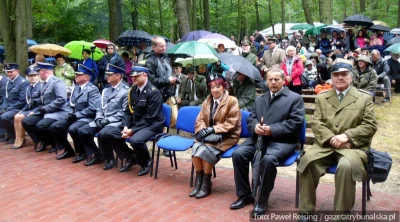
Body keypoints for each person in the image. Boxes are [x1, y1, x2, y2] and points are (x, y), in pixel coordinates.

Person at [297, 62, 377, 217]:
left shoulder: (364, 98)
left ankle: (341, 216)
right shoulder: (322, 97)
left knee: (346, 167)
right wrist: (332, 138)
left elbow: (370, 125)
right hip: (326, 145)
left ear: (351, 77)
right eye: (336, 75)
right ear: (331, 78)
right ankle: (306, 212)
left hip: (353, 147)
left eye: (344, 74)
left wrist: (347, 136)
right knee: (307, 161)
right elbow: (317, 123)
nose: (340, 78)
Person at [230, 68, 305, 216]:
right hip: (259, 138)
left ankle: (262, 200)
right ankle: (245, 194)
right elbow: (251, 118)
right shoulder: (260, 99)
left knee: (269, 160)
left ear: (283, 80)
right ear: (266, 81)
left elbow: (295, 123)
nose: (273, 82)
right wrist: (254, 127)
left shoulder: (295, 98)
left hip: (283, 140)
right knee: (238, 154)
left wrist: (272, 129)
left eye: (277, 79)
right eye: (270, 79)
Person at [102, 65, 164, 175]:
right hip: (137, 123)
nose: (133, 78)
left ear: (145, 75)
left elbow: (149, 117)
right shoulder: (133, 90)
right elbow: (128, 112)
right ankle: (131, 157)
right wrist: (126, 126)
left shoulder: (153, 92)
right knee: (111, 134)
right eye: (132, 77)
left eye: (136, 76)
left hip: (152, 125)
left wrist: (132, 130)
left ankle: (146, 162)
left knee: (135, 140)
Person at [191, 74, 241, 199]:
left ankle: (206, 183)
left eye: (218, 86)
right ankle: (199, 181)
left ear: (224, 87)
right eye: (212, 87)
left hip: (227, 136)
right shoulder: (207, 101)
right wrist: (202, 130)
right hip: (210, 136)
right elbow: (200, 119)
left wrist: (213, 129)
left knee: (205, 150)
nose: (215, 90)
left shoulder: (232, 101)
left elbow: (231, 123)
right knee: (196, 148)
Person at [77, 63, 129, 166]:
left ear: (118, 76)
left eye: (110, 75)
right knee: (83, 131)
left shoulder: (125, 91)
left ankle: (110, 159)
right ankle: (98, 155)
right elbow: (100, 107)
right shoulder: (106, 90)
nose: (107, 77)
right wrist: (98, 118)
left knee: (103, 134)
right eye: (107, 74)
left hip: (115, 121)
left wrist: (108, 120)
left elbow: (123, 111)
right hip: (102, 119)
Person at [48, 64, 101, 161]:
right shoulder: (76, 88)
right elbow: (71, 104)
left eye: (78, 75)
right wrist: (69, 113)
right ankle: (68, 150)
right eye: (76, 74)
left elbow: (93, 108)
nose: (75, 76)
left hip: (87, 117)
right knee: (55, 127)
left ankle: (81, 152)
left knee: (73, 129)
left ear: (86, 77)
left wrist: (76, 115)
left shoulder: (92, 89)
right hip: (75, 116)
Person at [21, 62, 68, 152]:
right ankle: (41, 141)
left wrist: (46, 108)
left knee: (41, 125)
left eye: (38, 72)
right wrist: (35, 101)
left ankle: (55, 143)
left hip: (57, 111)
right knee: (26, 121)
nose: (38, 75)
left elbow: (61, 99)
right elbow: (44, 98)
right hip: (46, 111)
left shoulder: (57, 82)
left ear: (44, 72)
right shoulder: (45, 83)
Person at [145, 37, 176, 158]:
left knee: (172, 119)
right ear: (154, 47)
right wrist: (167, 81)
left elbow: (169, 74)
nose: (164, 48)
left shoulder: (167, 58)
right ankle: (163, 145)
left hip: (169, 94)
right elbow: (151, 80)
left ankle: (164, 142)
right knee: (161, 122)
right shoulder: (150, 61)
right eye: (161, 46)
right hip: (157, 96)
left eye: (164, 46)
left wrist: (174, 79)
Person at [12, 66, 41, 149]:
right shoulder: (29, 87)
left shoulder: (41, 86)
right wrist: (22, 110)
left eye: (34, 76)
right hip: (29, 109)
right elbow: (28, 102)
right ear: (28, 77)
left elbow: (41, 103)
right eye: (31, 76)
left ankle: (20, 140)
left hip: (37, 110)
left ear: (38, 76)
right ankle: (17, 139)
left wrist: (34, 111)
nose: (33, 78)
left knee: (20, 117)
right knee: (17, 116)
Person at [0, 63, 29, 144]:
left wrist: (8, 108)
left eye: (11, 72)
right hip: (10, 107)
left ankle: (16, 136)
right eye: (8, 72)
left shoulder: (23, 82)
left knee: (4, 116)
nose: (9, 74)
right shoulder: (8, 82)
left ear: (17, 71)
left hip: (19, 107)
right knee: (1, 112)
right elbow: (6, 97)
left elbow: (22, 100)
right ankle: (8, 134)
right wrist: (4, 107)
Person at [0, 64, 8, 141]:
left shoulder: (5, 81)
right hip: (2, 102)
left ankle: (3, 133)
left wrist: (3, 107)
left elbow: (5, 97)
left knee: (2, 113)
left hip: (5, 104)